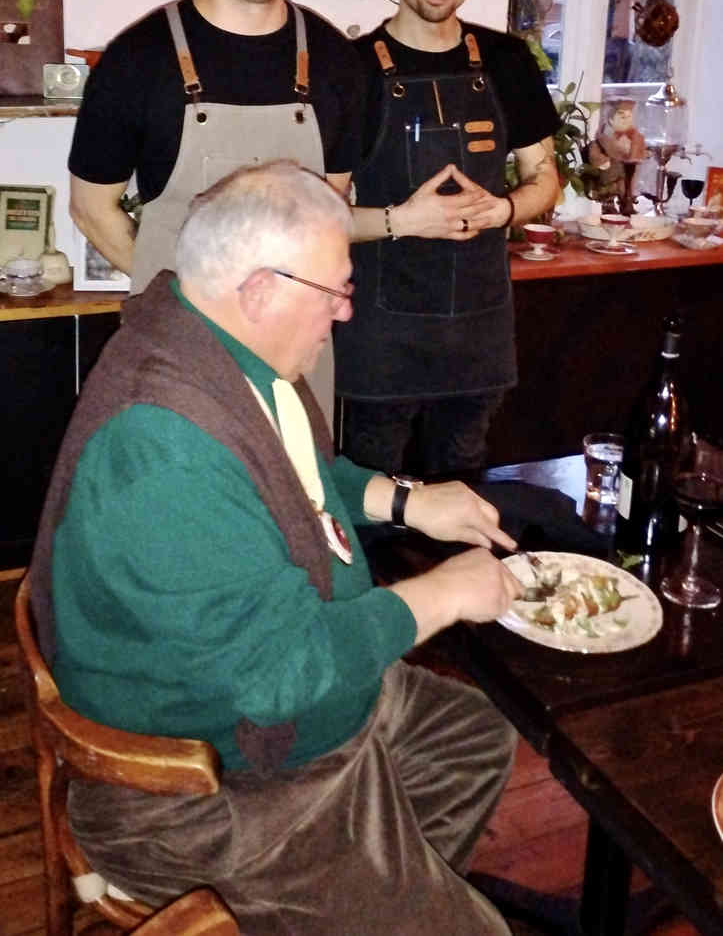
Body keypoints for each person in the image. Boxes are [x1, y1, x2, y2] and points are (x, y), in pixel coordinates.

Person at [30, 161, 523, 936]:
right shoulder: (162, 449)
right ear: (260, 288)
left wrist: (405, 499)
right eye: (336, 289)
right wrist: (443, 594)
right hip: (206, 791)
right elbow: (279, 673)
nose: (345, 311)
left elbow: (295, 472)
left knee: (476, 737)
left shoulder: (216, 347)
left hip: (285, 715)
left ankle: (383, 888)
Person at [67, 0, 364, 424]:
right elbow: (91, 208)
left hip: (296, 350)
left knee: (297, 478)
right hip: (179, 348)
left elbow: (330, 210)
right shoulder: (138, 59)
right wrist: (185, 299)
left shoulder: (335, 62)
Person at [329, 0, 560, 481]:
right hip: (382, 339)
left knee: (463, 490)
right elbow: (320, 216)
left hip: (478, 335)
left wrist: (504, 210)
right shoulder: (352, 70)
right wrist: (403, 220)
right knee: (372, 499)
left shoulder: (507, 61)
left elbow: (544, 179)